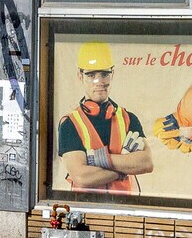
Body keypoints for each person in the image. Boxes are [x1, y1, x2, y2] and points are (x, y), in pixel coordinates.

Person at [56, 42, 153, 193]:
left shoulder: (129, 119)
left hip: (125, 207)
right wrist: (124, 168)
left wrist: (96, 159)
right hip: (87, 208)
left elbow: (146, 163)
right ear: (80, 76)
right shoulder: (70, 124)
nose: (99, 82)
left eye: (104, 74)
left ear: (112, 74)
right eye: (91, 75)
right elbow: (81, 177)